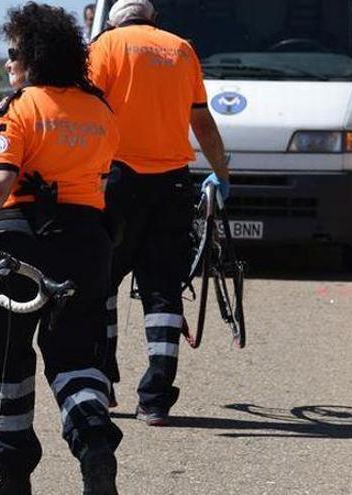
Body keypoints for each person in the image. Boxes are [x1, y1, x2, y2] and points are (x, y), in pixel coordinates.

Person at [0, 4, 122, 494]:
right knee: (76, 358)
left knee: (4, 358)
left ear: (34, 57)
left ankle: (12, 477)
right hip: (87, 242)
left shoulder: (17, 108)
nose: (7, 63)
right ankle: (95, 442)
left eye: (14, 53)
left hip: (18, 242)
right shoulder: (100, 109)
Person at [89, 0, 231, 426]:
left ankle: (103, 380)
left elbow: (84, 111)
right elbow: (202, 123)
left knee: (101, 283)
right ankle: (155, 398)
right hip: (171, 184)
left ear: (115, 21)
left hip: (114, 180)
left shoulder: (104, 48)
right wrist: (221, 173)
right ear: (152, 19)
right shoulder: (181, 50)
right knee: (163, 290)